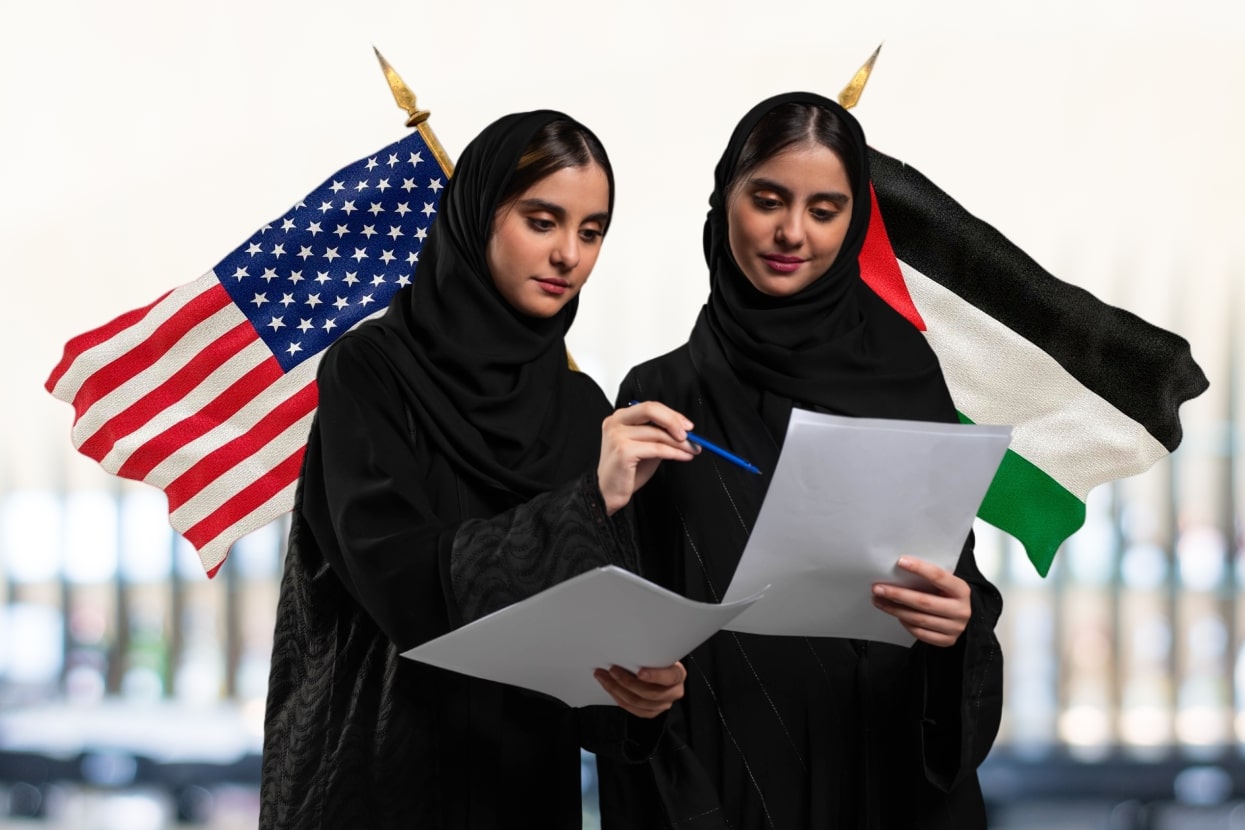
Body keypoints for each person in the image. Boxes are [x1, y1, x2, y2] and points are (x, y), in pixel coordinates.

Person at [259, 110, 691, 829]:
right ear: (478, 217)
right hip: (367, 783)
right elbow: (402, 584)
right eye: (542, 220)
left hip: (520, 790)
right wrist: (588, 502)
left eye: (590, 232)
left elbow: (583, 638)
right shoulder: (370, 372)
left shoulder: (582, 408)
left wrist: (637, 691)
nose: (568, 256)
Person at [594, 92, 1004, 829]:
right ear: (724, 203)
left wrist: (955, 626)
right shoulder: (658, 395)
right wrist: (599, 501)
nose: (791, 233)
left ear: (853, 226)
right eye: (768, 199)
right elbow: (622, 615)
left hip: (880, 776)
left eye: (824, 210)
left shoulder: (906, 376)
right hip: (717, 777)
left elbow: (954, 587)